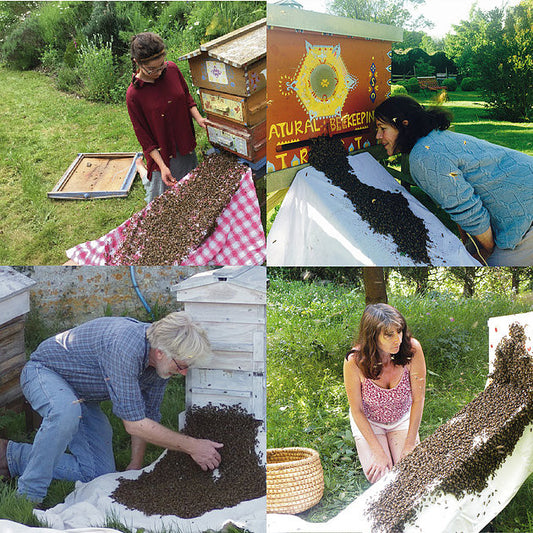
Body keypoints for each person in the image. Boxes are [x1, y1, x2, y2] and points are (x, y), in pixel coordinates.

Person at [0, 312, 223, 504]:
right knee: (65, 413)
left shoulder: (162, 366)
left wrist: (135, 464)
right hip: (44, 373)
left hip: (82, 396)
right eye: (182, 366)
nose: (183, 373)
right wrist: (192, 446)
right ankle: (29, 495)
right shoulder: (124, 346)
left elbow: (146, 418)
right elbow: (135, 425)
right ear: (160, 352)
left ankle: (11, 455)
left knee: (99, 474)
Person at [374, 95, 533, 266]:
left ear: (404, 124)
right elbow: (456, 205)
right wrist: (470, 245)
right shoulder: (433, 139)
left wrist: (486, 251)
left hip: (525, 212)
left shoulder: (425, 156)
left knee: (488, 265)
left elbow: (470, 212)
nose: (377, 136)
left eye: (383, 128)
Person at [343, 303, 426, 484]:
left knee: (411, 475)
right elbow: (356, 409)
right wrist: (378, 452)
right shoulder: (354, 361)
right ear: (373, 336)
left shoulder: (412, 350)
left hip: (401, 418)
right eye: (389, 334)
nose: (397, 339)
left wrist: (410, 445)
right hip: (370, 421)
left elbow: (418, 399)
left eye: (399, 331)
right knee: (383, 481)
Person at [126, 32, 210, 203]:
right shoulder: (134, 95)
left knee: (190, 189)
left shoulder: (172, 69)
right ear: (137, 63)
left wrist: (199, 118)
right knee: (159, 197)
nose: (158, 72)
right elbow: (145, 139)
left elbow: (187, 98)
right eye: (152, 69)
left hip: (184, 144)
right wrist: (163, 167)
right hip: (161, 155)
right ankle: (142, 168)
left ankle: (141, 167)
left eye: (161, 66)